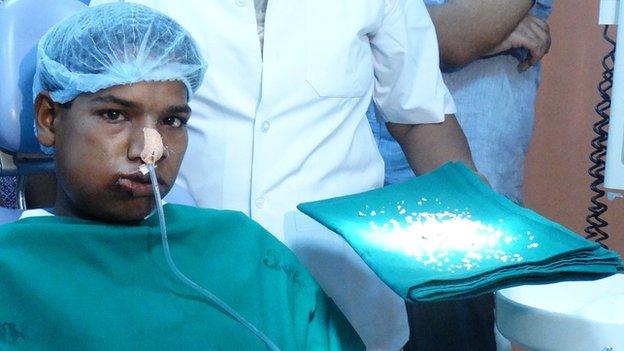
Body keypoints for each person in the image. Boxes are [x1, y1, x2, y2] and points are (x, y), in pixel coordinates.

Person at [89, 1, 478, 348]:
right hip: (185, 263)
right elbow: (90, 111)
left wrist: (477, 210)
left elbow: (420, 117)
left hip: (334, 283)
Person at [0, 3, 365, 350]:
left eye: (172, 121)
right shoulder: (12, 268)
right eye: (115, 115)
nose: (150, 150)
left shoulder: (242, 249)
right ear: (49, 118)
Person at [367, 1, 553, 350]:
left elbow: (446, 40)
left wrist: (442, 32)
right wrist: (452, 32)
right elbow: (375, 28)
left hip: (463, 205)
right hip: (366, 192)